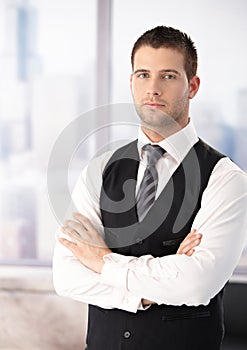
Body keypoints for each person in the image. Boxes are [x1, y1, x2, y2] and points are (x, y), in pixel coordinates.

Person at [53, 26, 247, 350]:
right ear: (131, 82)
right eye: (143, 74)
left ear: (193, 86)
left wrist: (101, 261)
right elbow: (67, 276)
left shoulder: (226, 180)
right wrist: (155, 289)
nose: (152, 89)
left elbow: (198, 283)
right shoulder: (100, 169)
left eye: (168, 76)